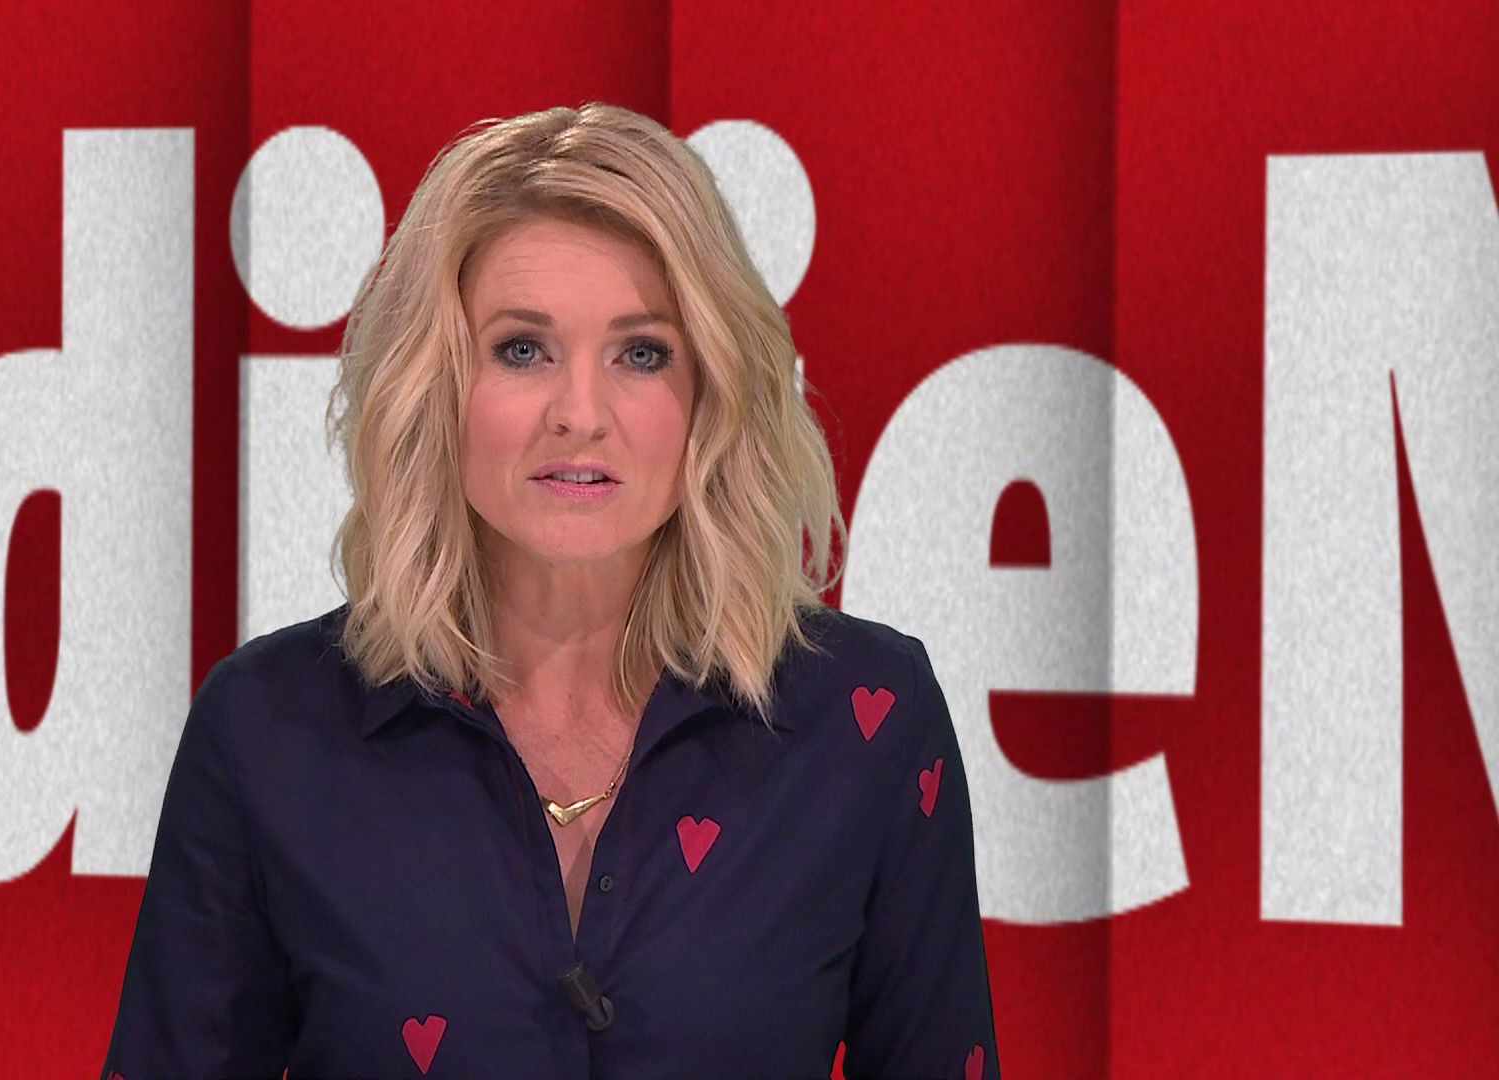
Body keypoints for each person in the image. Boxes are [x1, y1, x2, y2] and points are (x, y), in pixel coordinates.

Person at [101, 102, 999, 1080]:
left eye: (641, 353)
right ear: (435, 386)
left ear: (711, 392)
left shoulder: (866, 720)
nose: (580, 413)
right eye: (522, 349)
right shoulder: (266, 731)